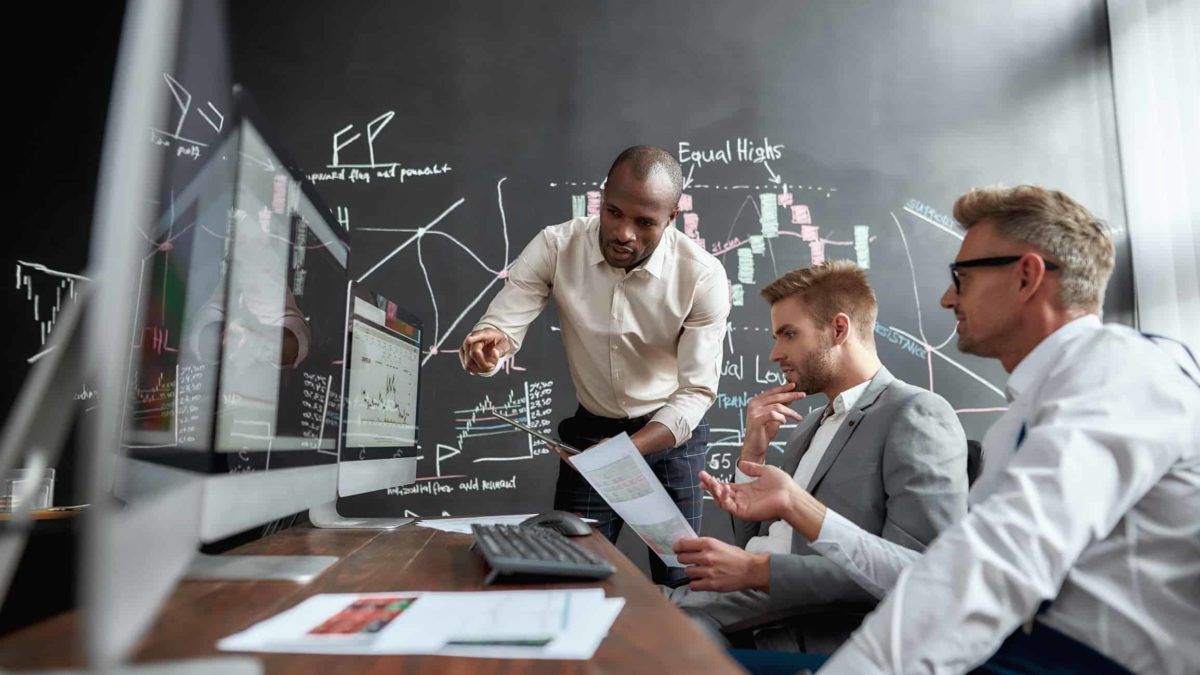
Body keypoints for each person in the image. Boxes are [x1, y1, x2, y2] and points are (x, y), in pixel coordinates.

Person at [703, 185, 1200, 674]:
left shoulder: (1120, 373)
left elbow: (991, 568)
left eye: (961, 278)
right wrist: (798, 506)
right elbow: (935, 570)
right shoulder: (1027, 415)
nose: (945, 298)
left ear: (1026, 276)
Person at [459, 145, 730, 584]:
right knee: (564, 571)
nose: (623, 233)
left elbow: (696, 391)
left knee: (685, 584)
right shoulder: (555, 246)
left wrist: (626, 451)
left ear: (671, 219)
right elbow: (500, 328)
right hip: (592, 434)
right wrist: (487, 349)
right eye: (614, 212)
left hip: (669, 438)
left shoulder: (702, 276)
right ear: (601, 199)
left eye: (644, 222)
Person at [666, 261, 968, 653]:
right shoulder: (809, 425)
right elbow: (761, 540)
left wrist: (757, 572)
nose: (776, 353)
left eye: (789, 334)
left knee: (641, 630)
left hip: (793, 622)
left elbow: (921, 572)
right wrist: (752, 452)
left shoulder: (915, 413)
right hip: (735, 600)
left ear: (839, 329)